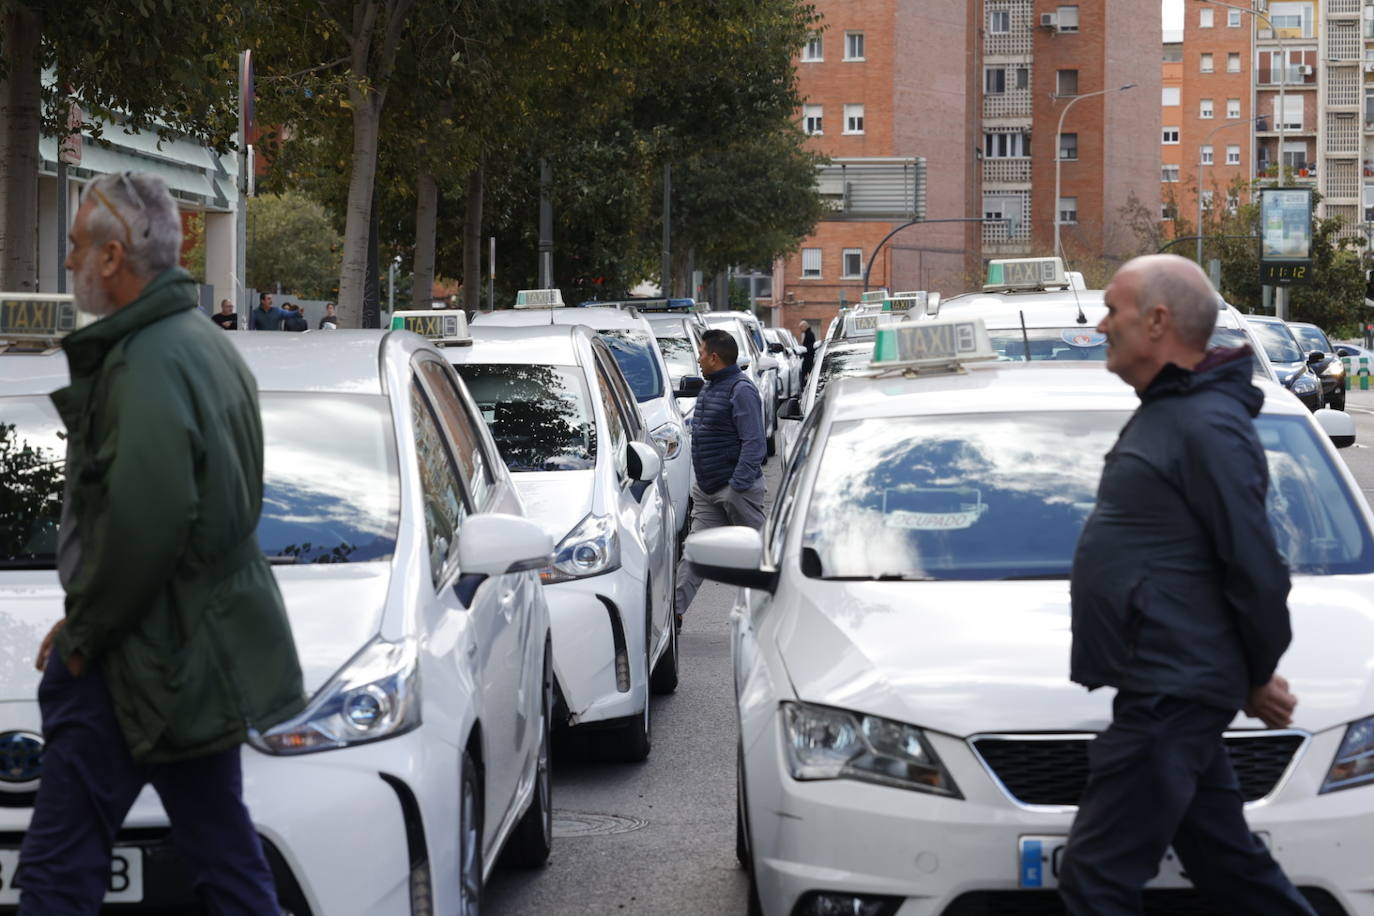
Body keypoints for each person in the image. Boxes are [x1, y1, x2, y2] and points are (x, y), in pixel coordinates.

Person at [20, 171, 305, 915]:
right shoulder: (199, 345)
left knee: (58, 873)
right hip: (194, 654)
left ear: (113, 257)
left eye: (79, 245)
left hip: (134, 660)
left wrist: (85, 634)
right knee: (226, 861)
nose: (70, 260)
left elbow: (147, 523)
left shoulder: (144, 360)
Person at [1059, 254, 1313, 915]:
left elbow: (1255, 565)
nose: (1100, 325)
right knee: (1233, 871)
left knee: (1095, 876)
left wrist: (1255, 673)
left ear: (1158, 320)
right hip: (1171, 682)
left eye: (1112, 309)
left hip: (1170, 691)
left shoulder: (1205, 423)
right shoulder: (1174, 414)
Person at [674, 328, 766, 630]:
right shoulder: (711, 387)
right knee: (695, 554)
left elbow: (755, 443)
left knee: (761, 557)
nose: (698, 359)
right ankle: (673, 615)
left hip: (735, 489)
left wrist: (736, 487)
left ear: (715, 357)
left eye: (701, 353)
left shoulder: (742, 389)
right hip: (708, 488)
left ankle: (776, 612)